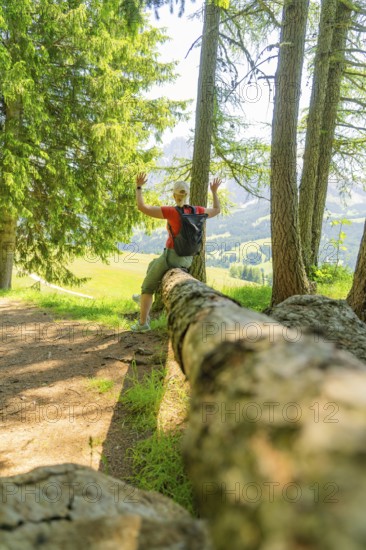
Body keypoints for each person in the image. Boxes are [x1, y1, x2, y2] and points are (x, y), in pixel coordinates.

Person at [131, 172, 222, 332]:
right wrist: (214, 191)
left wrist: (139, 187)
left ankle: (143, 324)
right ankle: (143, 300)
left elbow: (142, 207)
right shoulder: (198, 210)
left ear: (174, 195)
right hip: (188, 259)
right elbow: (216, 209)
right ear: (187, 195)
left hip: (172, 256)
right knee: (153, 263)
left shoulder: (171, 212)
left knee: (147, 287)